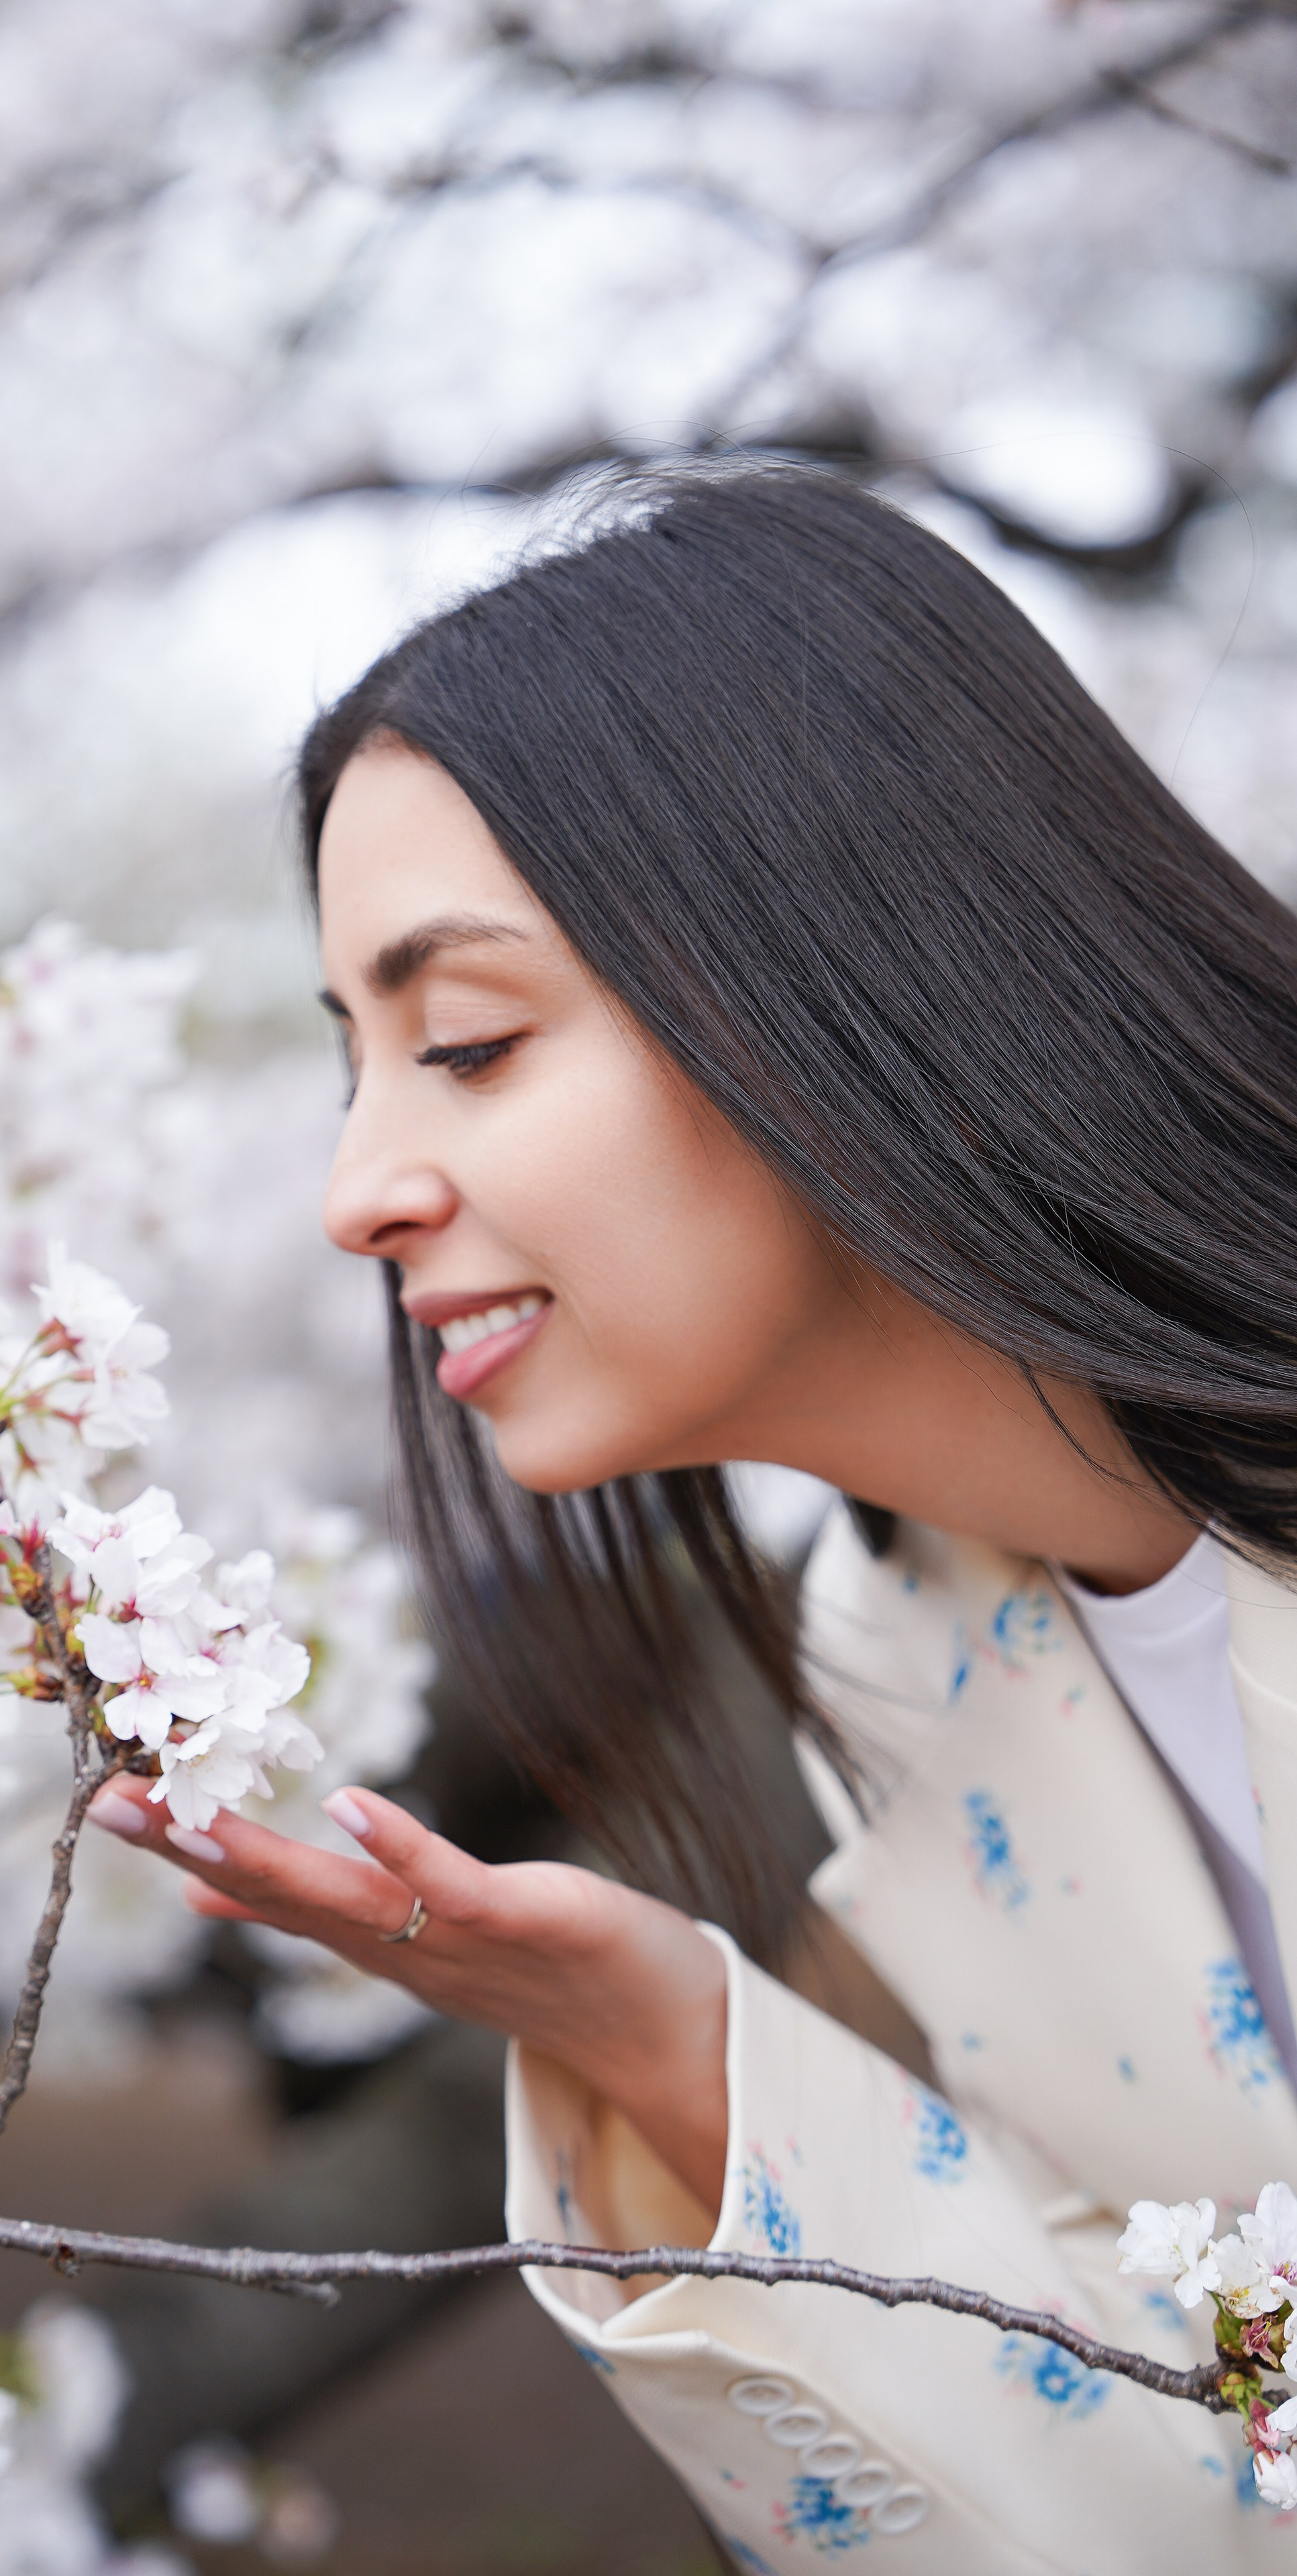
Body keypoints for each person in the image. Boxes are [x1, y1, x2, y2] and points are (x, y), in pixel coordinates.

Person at [87, 466, 1297, 2569]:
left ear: (850, 961)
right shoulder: (904, 1662)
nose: (356, 1189)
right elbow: (1186, 2497)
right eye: (358, 1064)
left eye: (467, 1039)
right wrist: (672, 2046)